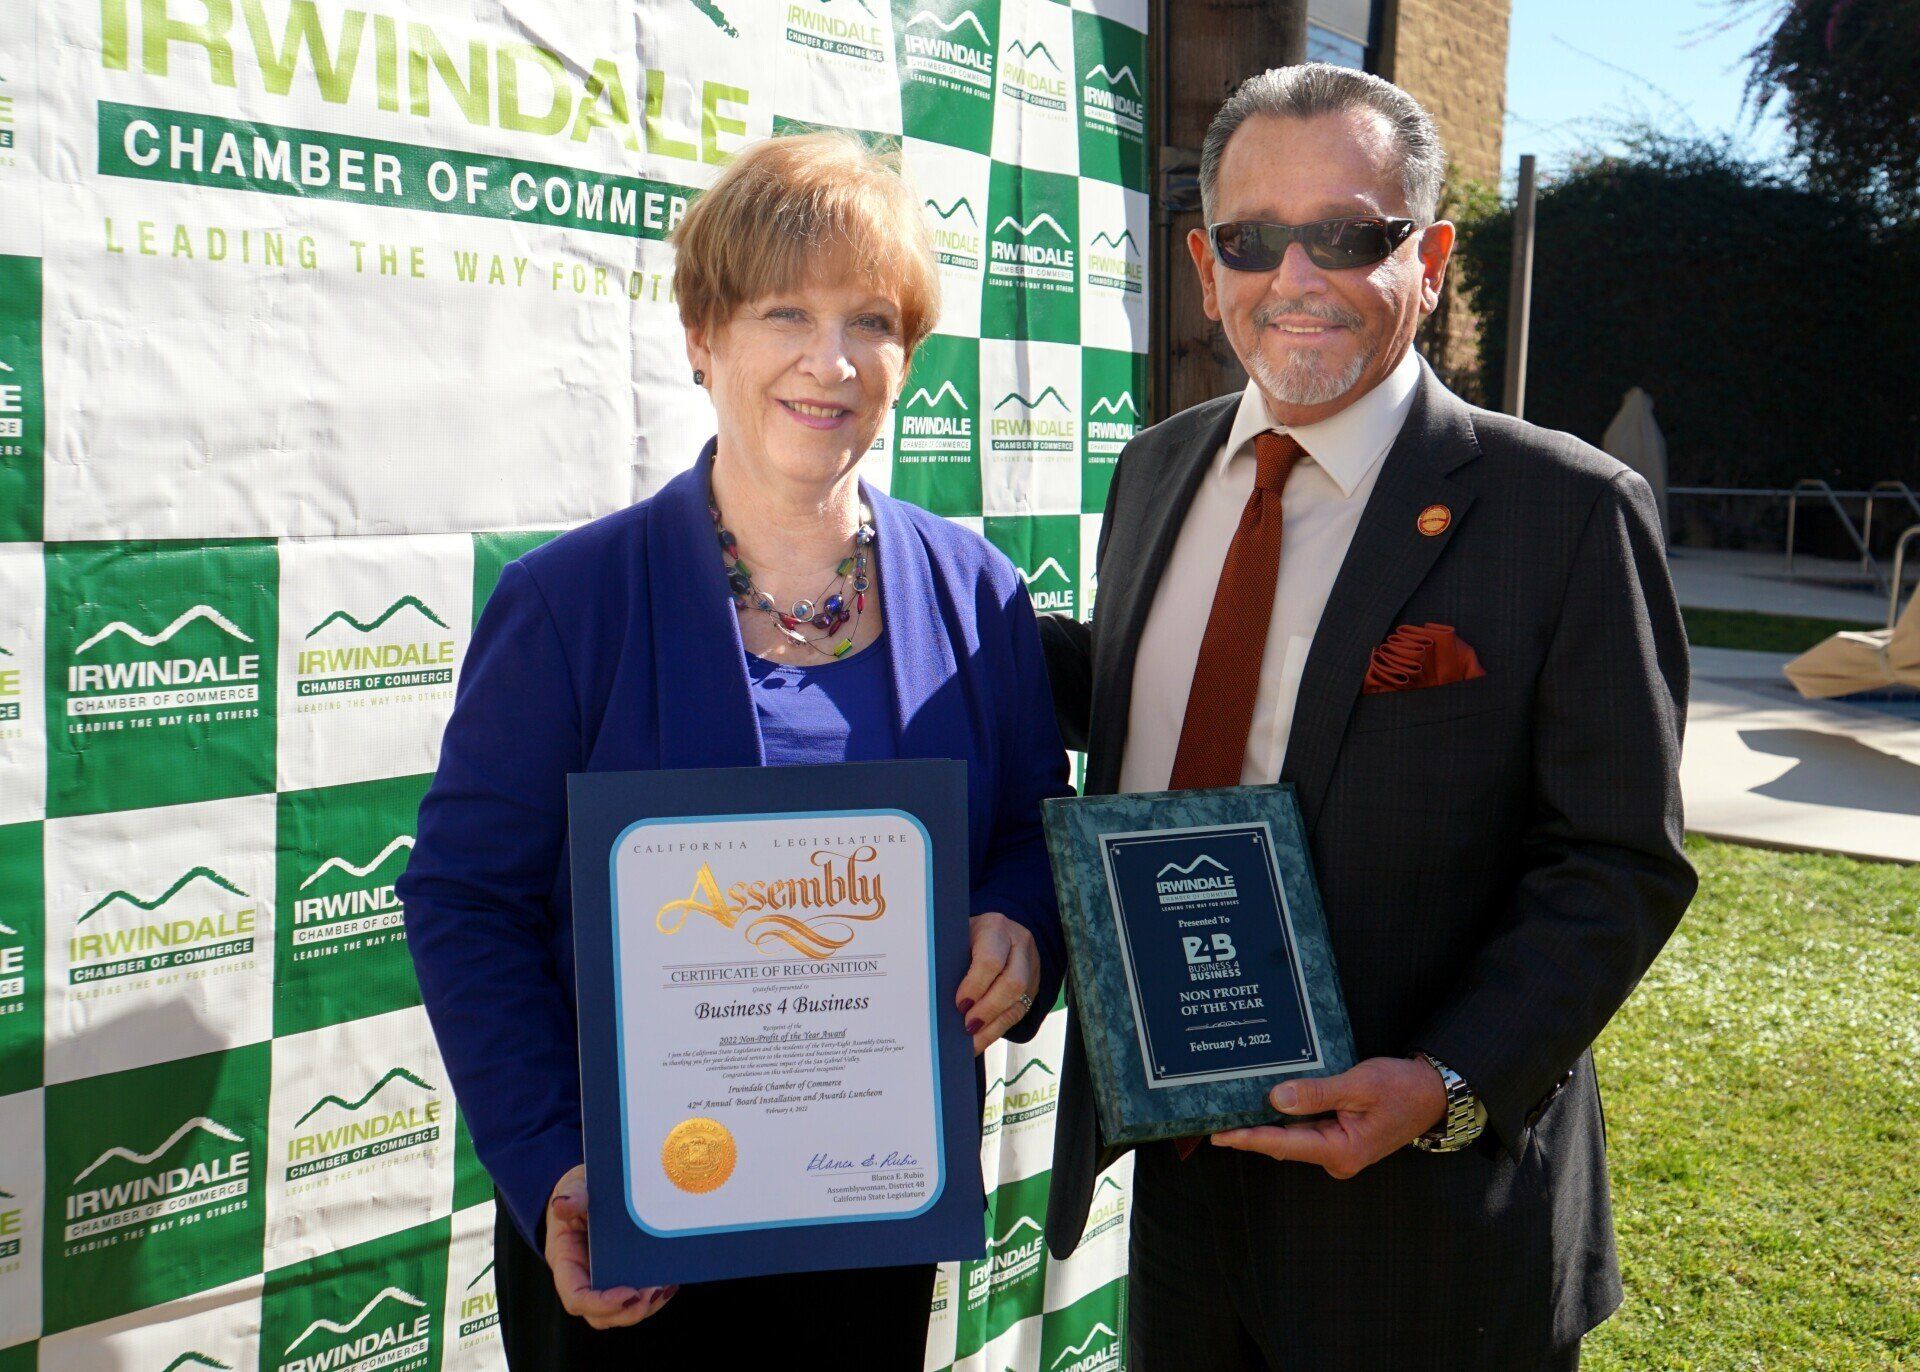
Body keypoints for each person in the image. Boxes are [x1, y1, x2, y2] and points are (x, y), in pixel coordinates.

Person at [1039, 64, 1695, 1370]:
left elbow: (1614, 862)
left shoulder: (1564, 514)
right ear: (1202, 260)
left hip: (1425, 1224)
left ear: (1433, 255)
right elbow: (1142, 698)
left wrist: (1449, 1086)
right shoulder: (1156, 469)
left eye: (1347, 235)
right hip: (1177, 1180)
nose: (1295, 275)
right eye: (1251, 238)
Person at [397, 132, 1070, 1369]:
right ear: (704, 337)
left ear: (907, 355)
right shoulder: (570, 602)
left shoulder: (978, 592)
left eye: (873, 318)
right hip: (631, 1231)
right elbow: (463, 899)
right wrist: (554, 1161)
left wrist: (1020, 927)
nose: (832, 359)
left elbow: (1031, 830)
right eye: (786, 313)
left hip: (869, 1219)